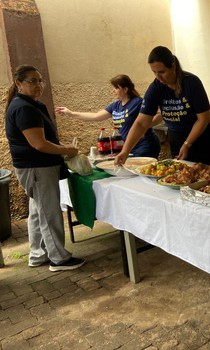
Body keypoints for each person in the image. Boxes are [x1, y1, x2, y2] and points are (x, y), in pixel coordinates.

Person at [4, 65, 86, 271]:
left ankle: (37, 254)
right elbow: (39, 144)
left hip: (34, 167)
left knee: (37, 211)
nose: (38, 85)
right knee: (49, 212)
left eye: (40, 80)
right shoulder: (24, 107)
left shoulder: (27, 104)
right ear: (18, 84)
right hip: (37, 167)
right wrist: (67, 150)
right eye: (32, 81)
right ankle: (59, 258)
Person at [115, 46, 210, 167]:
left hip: (202, 136)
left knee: (205, 175)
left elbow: (204, 118)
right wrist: (125, 151)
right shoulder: (156, 88)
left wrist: (187, 144)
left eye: (162, 72)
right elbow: (141, 123)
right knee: (180, 174)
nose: (158, 77)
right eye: (154, 72)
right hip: (176, 136)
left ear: (173, 67)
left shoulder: (191, 83)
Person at [55, 74, 161, 158]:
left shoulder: (138, 102)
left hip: (145, 145)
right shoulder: (116, 105)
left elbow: (160, 114)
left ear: (125, 89)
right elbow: (96, 116)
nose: (113, 91)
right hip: (129, 147)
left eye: (116, 87)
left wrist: (145, 126)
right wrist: (71, 113)